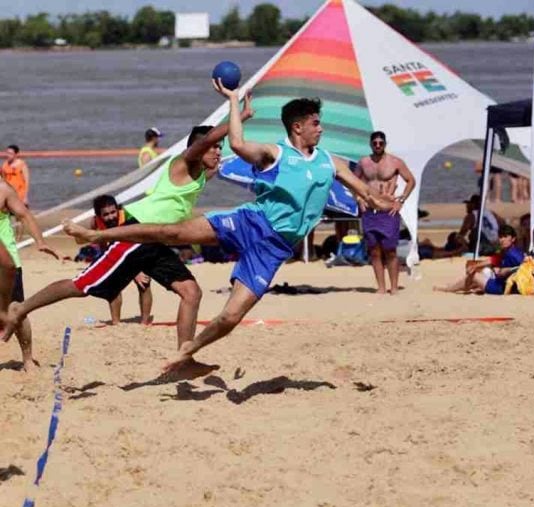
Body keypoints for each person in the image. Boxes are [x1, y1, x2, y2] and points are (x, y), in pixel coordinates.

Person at [60, 83, 393, 375]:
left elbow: (365, 192)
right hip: (251, 221)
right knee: (172, 233)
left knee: (230, 318)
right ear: (298, 127)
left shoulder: (329, 161)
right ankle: (98, 235)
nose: (321, 129)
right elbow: (236, 143)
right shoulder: (276, 153)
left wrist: (381, 200)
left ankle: (188, 350)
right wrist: (234, 102)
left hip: (275, 248)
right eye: (315, 124)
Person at [1, 95, 255, 366]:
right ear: (196, 148)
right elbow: (203, 141)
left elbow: (235, 153)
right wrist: (238, 114)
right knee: (82, 285)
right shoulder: (183, 164)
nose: (217, 151)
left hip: (156, 241)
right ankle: (21, 308)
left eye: (220, 147)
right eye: (214, 147)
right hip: (135, 234)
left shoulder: (204, 172)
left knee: (191, 292)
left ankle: (184, 359)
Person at [0, 181, 63, 371]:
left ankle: (27, 359)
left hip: (7, 263)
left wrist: (40, 241)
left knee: (16, 309)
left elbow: (24, 215)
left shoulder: (2, 189)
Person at [355, 131, 416, 294]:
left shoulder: (395, 162)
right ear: (370, 144)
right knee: (374, 250)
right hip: (369, 210)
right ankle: (381, 288)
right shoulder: (363, 162)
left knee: (390, 250)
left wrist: (401, 200)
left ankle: (394, 287)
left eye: (380, 143)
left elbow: (411, 180)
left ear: (385, 144)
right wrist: (359, 199)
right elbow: (353, 182)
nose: (377, 145)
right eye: (374, 143)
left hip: (388, 210)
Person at [91, 195, 153, 325]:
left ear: (118, 209)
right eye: (106, 214)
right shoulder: (95, 222)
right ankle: (116, 323)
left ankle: (145, 322)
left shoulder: (129, 219)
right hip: (116, 249)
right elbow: (102, 243)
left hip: (139, 248)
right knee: (113, 285)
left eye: (113, 212)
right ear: (99, 215)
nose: (111, 217)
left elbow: (134, 247)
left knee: (144, 282)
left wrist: (136, 272)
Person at [434, 225, 524, 294]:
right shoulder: (508, 251)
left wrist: (502, 271)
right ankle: (453, 287)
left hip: (501, 288)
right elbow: (492, 260)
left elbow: (522, 269)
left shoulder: (513, 254)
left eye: (505, 237)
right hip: (500, 283)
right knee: (479, 273)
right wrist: (475, 265)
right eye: (500, 237)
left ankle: (448, 289)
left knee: (474, 276)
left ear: (513, 239)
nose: (502, 240)